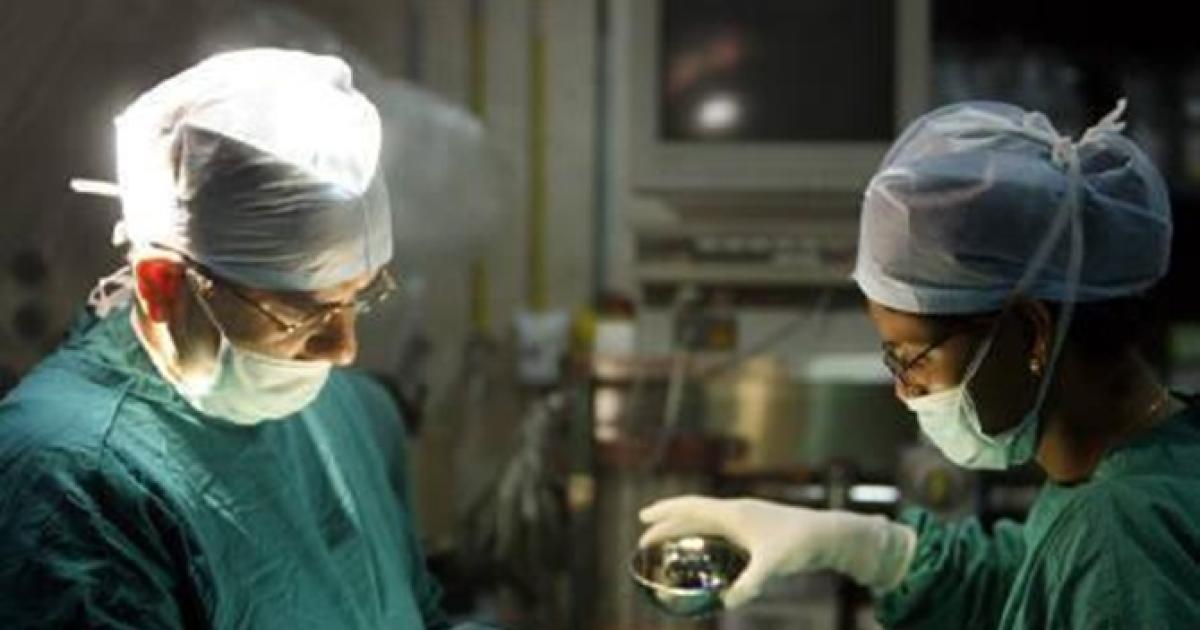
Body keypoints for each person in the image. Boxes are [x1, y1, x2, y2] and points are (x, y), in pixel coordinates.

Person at [639, 100, 1200, 628]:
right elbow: (1029, 580)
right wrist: (864, 548)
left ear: (1031, 332)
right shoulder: (1151, 462)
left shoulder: (1120, 538)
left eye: (912, 358)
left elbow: (1090, 580)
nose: (904, 391)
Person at [0, 49, 489, 629]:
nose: (344, 350)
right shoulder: (68, 482)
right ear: (161, 285)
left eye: (359, 296)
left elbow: (417, 615)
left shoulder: (350, 412)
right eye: (301, 313)